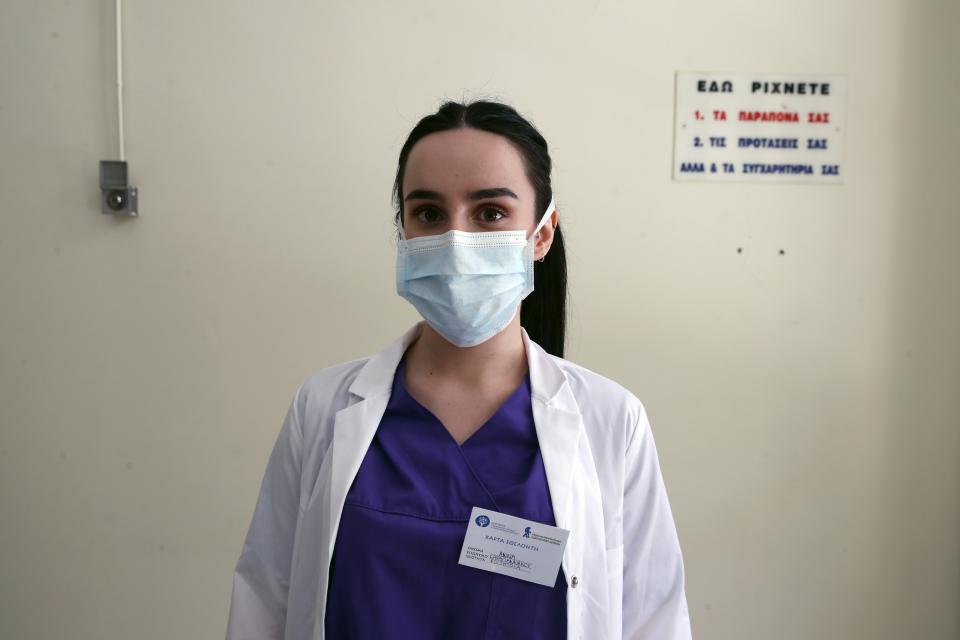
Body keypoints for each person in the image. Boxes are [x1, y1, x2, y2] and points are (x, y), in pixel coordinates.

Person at [226, 100, 692, 640]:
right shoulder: (324, 407)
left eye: (490, 213)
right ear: (403, 231)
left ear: (540, 235)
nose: (456, 240)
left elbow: (652, 618)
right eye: (428, 213)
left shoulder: (611, 419)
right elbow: (266, 597)